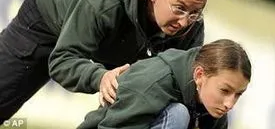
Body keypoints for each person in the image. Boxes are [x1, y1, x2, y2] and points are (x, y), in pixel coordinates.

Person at [0, 0, 210, 123]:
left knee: (153, 103)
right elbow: (62, 60)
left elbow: (191, 91)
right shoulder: (103, 0)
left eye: (194, 13)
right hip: (52, 12)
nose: (184, 22)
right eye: (179, 8)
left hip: (123, 36)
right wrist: (100, 77)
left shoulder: (191, 25)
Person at [78, 39, 251, 129]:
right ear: (199, 75)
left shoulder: (214, 106)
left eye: (238, 94)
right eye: (225, 90)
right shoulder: (152, 82)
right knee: (178, 114)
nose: (230, 104)